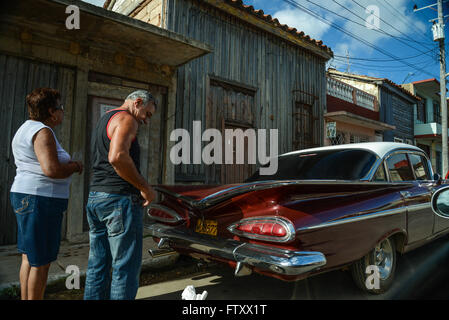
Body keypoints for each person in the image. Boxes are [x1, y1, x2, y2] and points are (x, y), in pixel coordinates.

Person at [10, 87, 83, 300]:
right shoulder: (43, 132)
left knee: (29, 257)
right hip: (40, 199)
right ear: (51, 111)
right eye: (61, 108)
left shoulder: (25, 128)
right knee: (41, 262)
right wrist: (75, 166)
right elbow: (51, 169)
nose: (62, 112)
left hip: (28, 196)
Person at [84, 90, 157, 300]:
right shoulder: (127, 119)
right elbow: (117, 157)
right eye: (148, 114)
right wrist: (144, 187)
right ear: (138, 102)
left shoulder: (106, 119)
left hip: (96, 199)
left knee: (97, 267)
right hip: (119, 201)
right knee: (125, 269)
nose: (146, 120)